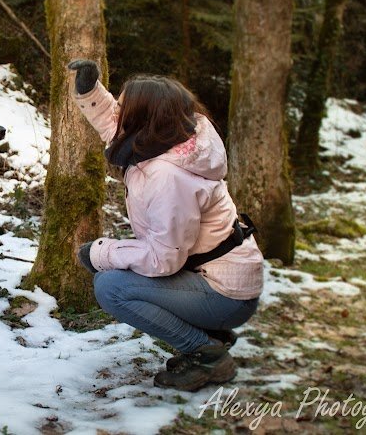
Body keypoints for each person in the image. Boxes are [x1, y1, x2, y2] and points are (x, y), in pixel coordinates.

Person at [68, 59, 264, 392]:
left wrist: (101, 253)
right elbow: (115, 125)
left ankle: (206, 353)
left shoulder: (167, 175)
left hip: (225, 295)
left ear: (144, 120)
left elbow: (163, 259)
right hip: (217, 279)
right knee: (119, 277)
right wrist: (89, 91)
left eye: (125, 107)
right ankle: (210, 334)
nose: (118, 112)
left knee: (111, 287)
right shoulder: (180, 136)